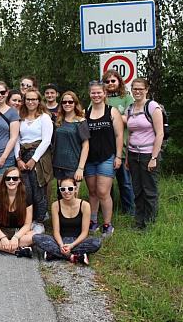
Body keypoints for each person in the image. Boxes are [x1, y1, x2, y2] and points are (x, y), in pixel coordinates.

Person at [85, 81, 123, 238]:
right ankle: (93, 221)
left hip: (107, 157)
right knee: (92, 192)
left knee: (103, 192)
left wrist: (119, 156)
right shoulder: (85, 112)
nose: (96, 95)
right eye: (93, 93)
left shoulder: (112, 112)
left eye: (99, 92)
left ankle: (107, 224)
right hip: (89, 159)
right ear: (90, 94)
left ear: (105, 94)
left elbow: (119, 135)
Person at [33, 179, 101, 264]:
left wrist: (72, 245)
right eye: (63, 189)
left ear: (75, 189)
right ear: (60, 190)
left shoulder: (85, 205)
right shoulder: (55, 205)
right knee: (37, 237)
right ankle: (74, 256)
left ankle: (55, 254)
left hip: (77, 241)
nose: (66, 191)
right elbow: (56, 232)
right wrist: (61, 245)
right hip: (60, 241)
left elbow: (84, 232)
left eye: (70, 189)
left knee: (96, 242)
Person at [126, 78, 164, 230]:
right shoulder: (130, 108)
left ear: (147, 90)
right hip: (134, 154)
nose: (137, 91)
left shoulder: (152, 107)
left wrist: (154, 158)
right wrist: (127, 158)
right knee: (137, 190)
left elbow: (160, 133)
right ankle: (139, 222)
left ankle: (150, 223)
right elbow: (130, 134)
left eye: (141, 89)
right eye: (135, 88)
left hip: (149, 154)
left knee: (149, 190)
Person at [14, 89, 53, 235]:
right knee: (25, 190)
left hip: (39, 156)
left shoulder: (44, 117)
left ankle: (40, 220)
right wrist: (18, 158)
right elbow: (16, 138)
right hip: (22, 155)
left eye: (34, 99)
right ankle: (27, 220)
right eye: (28, 99)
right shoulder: (20, 117)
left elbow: (47, 140)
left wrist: (33, 159)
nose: (31, 102)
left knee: (39, 190)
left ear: (38, 101)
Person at [103, 69, 135, 215]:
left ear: (119, 82)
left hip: (122, 148)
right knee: (106, 185)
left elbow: (131, 119)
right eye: (107, 81)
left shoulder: (127, 98)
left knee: (126, 183)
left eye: (113, 81)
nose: (110, 84)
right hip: (104, 149)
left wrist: (111, 116)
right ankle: (108, 210)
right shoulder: (101, 98)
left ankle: (129, 211)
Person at [52, 90, 89, 187]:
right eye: (64, 102)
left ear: (75, 103)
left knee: (73, 196)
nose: (67, 104)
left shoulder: (80, 121)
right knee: (61, 195)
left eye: (70, 102)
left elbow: (86, 146)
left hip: (73, 166)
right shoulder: (58, 121)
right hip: (58, 165)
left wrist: (80, 168)